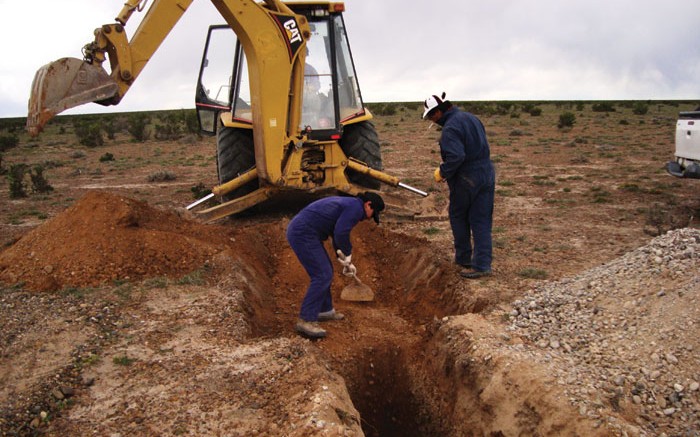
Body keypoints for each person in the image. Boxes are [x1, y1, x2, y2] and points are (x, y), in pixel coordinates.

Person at [286, 192, 385, 338]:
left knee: (326, 271)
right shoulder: (356, 208)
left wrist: (344, 259)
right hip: (303, 233)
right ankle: (306, 319)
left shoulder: (350, 204)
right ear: (368, 204)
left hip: (306, 232)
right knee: (322, 275)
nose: (369, 218)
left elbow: (335, 232)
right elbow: (341, 232)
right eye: (372, 213)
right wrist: (348, 252)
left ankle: (325, 311)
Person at [422, 92, 495, 279]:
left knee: (458, 215)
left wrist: (443, 172)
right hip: (487, 173)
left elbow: (456, 156)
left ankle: (463, 258)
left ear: (438, 112)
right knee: (481, 220)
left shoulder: (450, 129)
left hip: (467, 176)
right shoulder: (472, 118)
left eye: (431, 116)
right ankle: (482, 265)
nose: (432, 120)